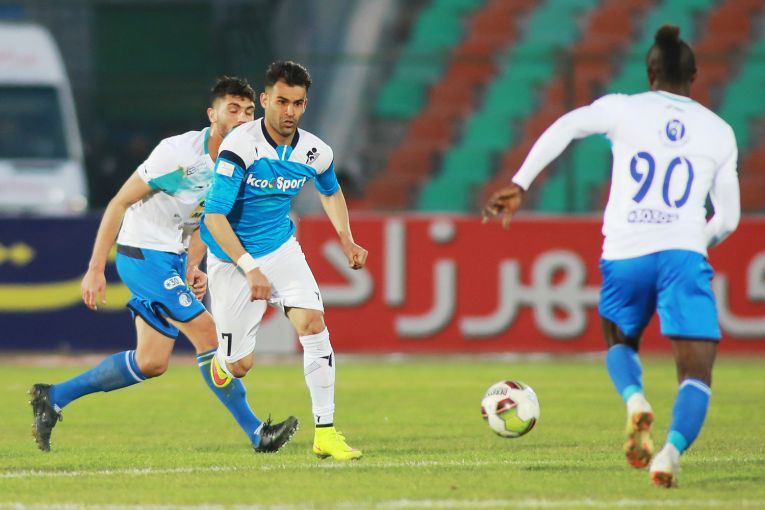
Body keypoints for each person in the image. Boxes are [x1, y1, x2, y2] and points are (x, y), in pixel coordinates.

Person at [482, 25, 740, 488]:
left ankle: (636, 399)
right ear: (694, 76)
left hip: (626, 252)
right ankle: (669, 455)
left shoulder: (623, 107)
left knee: (620, 341)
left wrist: (520, 183)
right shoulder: (719, 132)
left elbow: (567, 126)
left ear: (650, 73)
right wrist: (691, 241)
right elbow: (728, 219)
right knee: (696, 373)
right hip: (683, 253)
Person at [29, 76, 298, 454]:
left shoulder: (243, 165)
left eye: (248, 111)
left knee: (151, 361)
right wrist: (95, 268)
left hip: (170, 257)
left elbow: (209, 221)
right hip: (142, 252)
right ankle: (257, 433)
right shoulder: (179, 154)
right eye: (232, 109)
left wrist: (191, 265)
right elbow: (119, 203)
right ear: (213, 115)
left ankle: (54, 397)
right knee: (208, 333)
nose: (241, 118)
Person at [202, 61, 368, 461]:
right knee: (239, 366)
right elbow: (214, 217)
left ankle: (325, 432)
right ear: (265, 100)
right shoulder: (240, 146)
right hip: (231, 259)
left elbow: (330, 191)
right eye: (281, 101)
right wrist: (249, 267)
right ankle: (221, 362)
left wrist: (346, 239)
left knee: (313, 324)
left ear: (305, 104)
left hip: (280, 250)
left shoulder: (316, 151)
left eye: (297, 103)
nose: (289, 111)